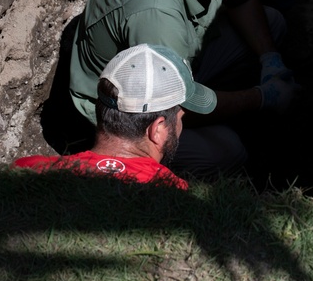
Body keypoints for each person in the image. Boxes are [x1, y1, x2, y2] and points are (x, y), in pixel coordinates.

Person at [65, 0, 297, 179]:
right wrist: (261, 98)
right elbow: (177, 101)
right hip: (125, 110)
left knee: (271, 24)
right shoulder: (155, 14)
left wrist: (269, 58)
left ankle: (231, 101)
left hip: (175, 58)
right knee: (226, 151)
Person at [15, 44, 198, 190]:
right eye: (181, 118)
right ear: (157, 129)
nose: (180, 125)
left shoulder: (29, 169)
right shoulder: (171, 191)